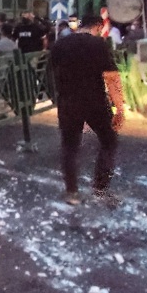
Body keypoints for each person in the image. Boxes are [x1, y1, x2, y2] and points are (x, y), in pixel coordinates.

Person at [49, 15, 127, 207]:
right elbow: (112, 77)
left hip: (68, 102)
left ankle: (71, 193)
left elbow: (49, 73)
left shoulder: (60, 44)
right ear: (98, 27)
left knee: (70, 147)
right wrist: (119, 108)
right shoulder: (98, 44)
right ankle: (100, 189)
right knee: (109, 142)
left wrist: (58, 96)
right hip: (96, 102)